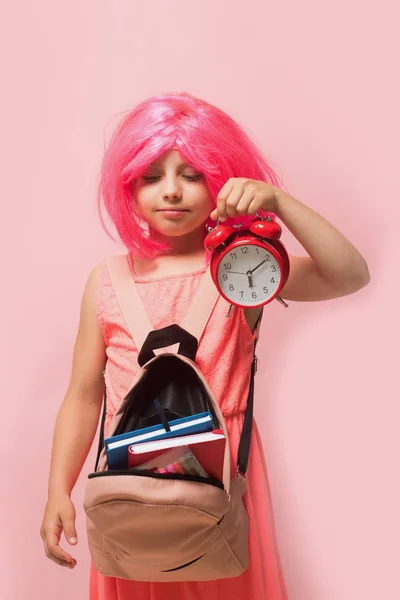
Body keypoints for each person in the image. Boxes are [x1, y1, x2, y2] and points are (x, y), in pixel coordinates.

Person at [40, 92, 370, 600]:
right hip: (132, 481)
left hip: (221, 475)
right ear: (126, 186)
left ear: (221, 177)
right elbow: (83, 397)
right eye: (152, 177)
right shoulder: (105, 281)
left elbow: (347, 274)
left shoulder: (244, 266)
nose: (171, 192)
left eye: (191, 175)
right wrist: (57, 488)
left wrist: (279, 201)